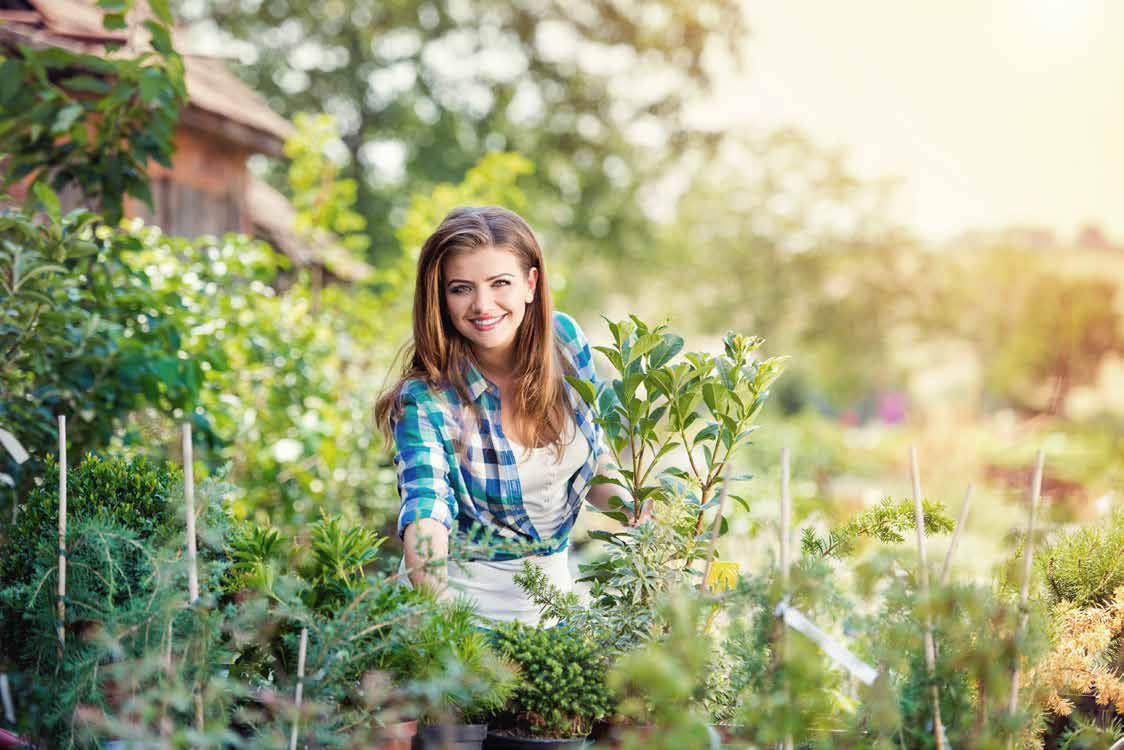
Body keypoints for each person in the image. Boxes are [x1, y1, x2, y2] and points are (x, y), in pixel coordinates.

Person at [374, 205, 650, 625]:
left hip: (557, 611)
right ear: (441, 297)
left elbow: (593, 466)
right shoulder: (427, 399)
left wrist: (638, 516)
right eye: (461, 288)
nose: (482, 305)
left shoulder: (566, 343)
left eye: (499, 282)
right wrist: (446, 630)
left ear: (530, 283)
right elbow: (426, 514)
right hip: (462, 619)